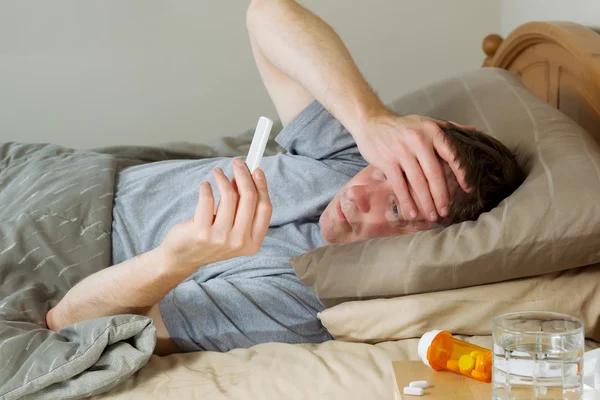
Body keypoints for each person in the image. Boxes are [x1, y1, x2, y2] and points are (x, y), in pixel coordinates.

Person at [46, 0, 524, 355]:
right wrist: (370, 121)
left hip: (64, 244)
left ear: (429, 246)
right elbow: (266, 13)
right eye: (384, 172)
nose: (358, 195)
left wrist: (175, 259)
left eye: (397, 208)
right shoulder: (351, 160)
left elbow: (70, 322)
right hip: (65, 175)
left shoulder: (298, 301)